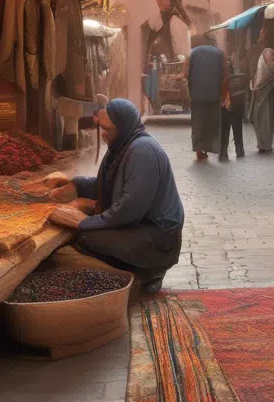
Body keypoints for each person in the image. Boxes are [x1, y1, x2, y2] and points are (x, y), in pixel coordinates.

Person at [46, 99, 184, 294]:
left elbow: (128, 211)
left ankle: (148, 271)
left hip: (158, 238)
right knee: (85, 237)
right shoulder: (122, 145)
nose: (103, 134)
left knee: (87, 238)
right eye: (102, 128)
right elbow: (107, 185)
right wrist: (74, 184)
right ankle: (132, 267)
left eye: (108, 129)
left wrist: (81, 222)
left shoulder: (142, 152)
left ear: (123, 126)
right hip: (142, 227)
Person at [186, 35, 225, 160]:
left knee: (198, 123)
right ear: (213, 43)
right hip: (214, 95)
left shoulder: (193, 53)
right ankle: (209, 148)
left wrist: (190, 92)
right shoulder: (220, 54)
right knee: (211, 123)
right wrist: (223, 94)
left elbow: (187, 75)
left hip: (197, 96)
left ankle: (198, 150)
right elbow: (225, 75)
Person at [219, 41, 249, 160]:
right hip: (238, 100)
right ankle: (239, 150)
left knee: (224, 128)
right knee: (237, 127)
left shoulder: (220, 70)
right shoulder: (235, 67)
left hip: (226, 102)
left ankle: (223, 152)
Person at [250, 47, 274, 152]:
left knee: (268, 122)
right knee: (258, 121)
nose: (272, 58)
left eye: (272, 56)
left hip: (269, 101)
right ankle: (260, 143)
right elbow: (256, 84)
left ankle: (267, 144)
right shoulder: (260, 70)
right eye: (269, 56)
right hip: (259, 101)